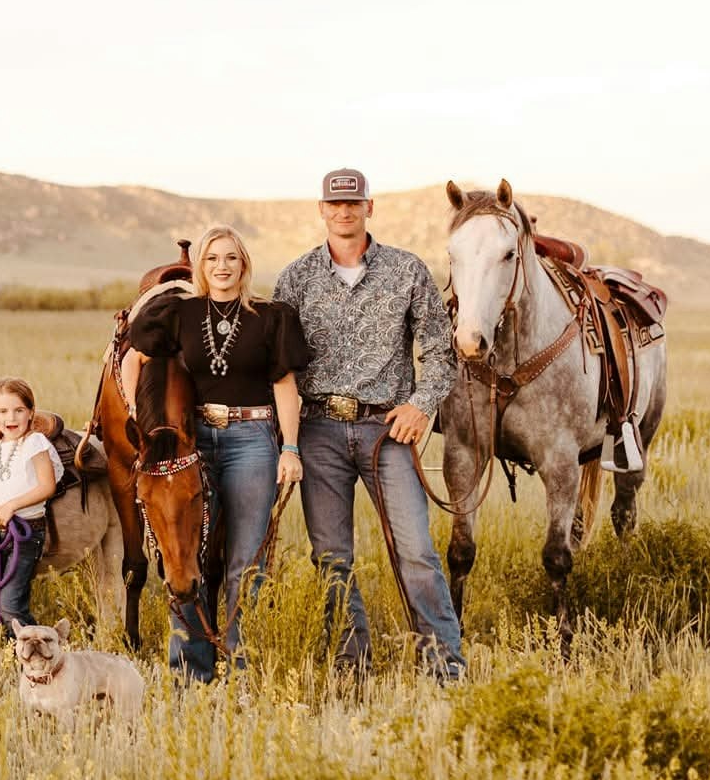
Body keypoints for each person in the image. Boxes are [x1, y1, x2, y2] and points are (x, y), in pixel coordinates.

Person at [272, 168, 465, 681]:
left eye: (353, 203)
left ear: (369, 207)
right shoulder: (294, 279)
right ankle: (351, 665)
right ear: (321, 209)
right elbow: (279, 367)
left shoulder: (407, 271)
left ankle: (445, 666)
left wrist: (421, 404)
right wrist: (284, 441)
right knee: (332, 556)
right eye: (335, 204)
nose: (344, 212)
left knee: (416, 552)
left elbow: (441, 350)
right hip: (317, 432)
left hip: (388, 431)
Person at [132, 224, 308, 680]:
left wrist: (289, 448)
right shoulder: (182, 315)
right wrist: (139, 418)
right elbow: (135, 351)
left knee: (244, 559)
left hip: (251, 440)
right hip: (195, 443)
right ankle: (191, 669)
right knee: (184, 550)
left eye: (230, 258)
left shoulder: (270, 317)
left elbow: (284, 386)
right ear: (200, 267)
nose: (222, 267)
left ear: (244, 264)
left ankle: (240, 664)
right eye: (212, 259)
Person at [0, 377, 63, 633]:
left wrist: (12, 505)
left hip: (26, 530)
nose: (11, 417)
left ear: (30, 412)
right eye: (2, 411)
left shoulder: (35, 443)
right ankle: (14, 655)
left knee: (12, 605)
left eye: (19, 410)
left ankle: (40, 648)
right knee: (1, 604)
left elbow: (47, 486)